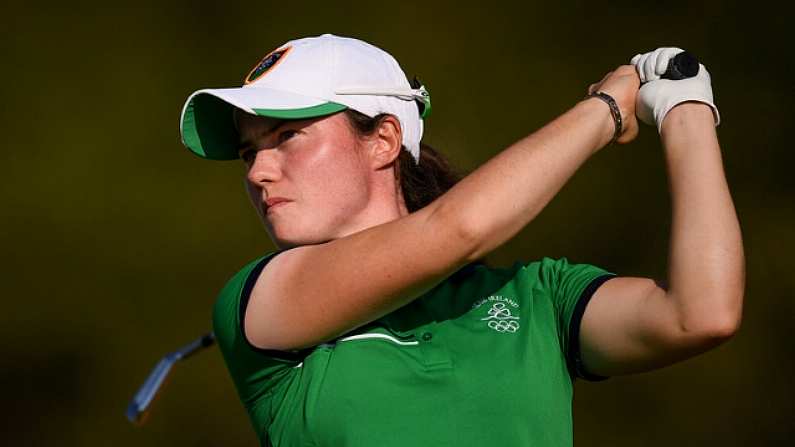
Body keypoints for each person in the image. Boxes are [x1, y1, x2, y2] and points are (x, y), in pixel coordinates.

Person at [178, 34, 744, 446]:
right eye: (251, 151)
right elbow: (457, 230)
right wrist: (605, 112)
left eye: (286, 136)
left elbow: (702, 313)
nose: (258, 172)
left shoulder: (537, 297)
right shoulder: (261, 300)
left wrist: (684, 110)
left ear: (383, 140)